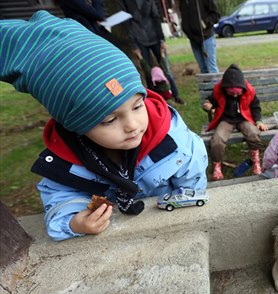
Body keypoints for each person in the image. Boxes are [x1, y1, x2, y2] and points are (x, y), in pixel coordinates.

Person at [0, 11, 208, 241]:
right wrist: (73, 222)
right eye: (109, 120)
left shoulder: (171, 137)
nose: (132, 125)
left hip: (172, 229)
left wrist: (189, 204)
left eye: (138, 106)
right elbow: (59, 198)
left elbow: (193, 174)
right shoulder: (67, 162)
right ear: (75, 125)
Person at [203, 64, 268, 180]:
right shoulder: (219, 91)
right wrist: (208, 105)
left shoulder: (249, 91)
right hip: (226, 120)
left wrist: (258, 121)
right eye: (231, 93)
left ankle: (256, 161)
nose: (235, 95)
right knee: (217, 139)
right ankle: (217, 166)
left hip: (244, 118)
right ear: (225, 89)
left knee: (253, 133)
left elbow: (255, 107)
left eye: (238, 93)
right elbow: (211, 100)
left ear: (242, 88)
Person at [119, 0, 185, 105]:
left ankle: (175, 94)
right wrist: (134, 45)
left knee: (165, 68)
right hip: (139, 39)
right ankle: (156, 99)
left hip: (155, 37)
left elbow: (156, 17)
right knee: (148, 73)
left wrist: (161, 40)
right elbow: (127, 24)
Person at [179, 0, 220, 74]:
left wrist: (204, 24)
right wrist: (185, 28)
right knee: (203, 69)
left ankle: (215, 85)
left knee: (211, 69)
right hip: (193, 39)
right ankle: (207, 86)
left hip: (206, 37)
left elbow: (216, 15)